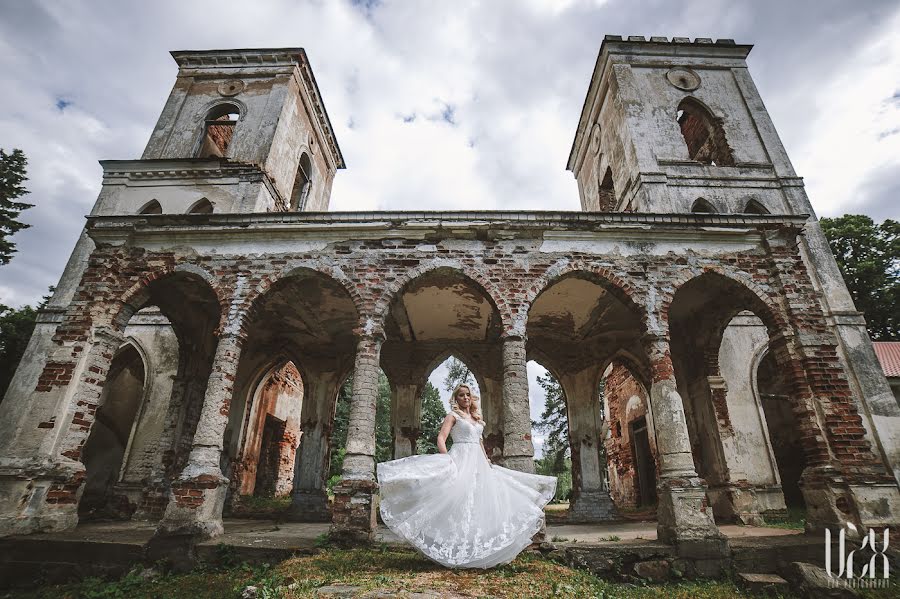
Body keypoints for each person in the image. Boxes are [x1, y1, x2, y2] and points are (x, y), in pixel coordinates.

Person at [377, 384, 557, 569]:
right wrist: (446, 458)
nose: (465, 398)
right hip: (460, 457)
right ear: (456, 399)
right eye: (461, 395)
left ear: (472, 398)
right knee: (457, 499)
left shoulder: (477, 419)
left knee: (478, 500)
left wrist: (487, 461)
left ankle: (474, 549)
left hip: (478, 462)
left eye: (468, 395)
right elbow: (441, 438)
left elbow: (479, 443)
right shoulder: (452, 416)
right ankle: (453, 548)